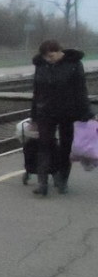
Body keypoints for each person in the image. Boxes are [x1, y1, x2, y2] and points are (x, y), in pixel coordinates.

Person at [29, 39, 91, 195]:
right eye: (45, 57)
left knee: (66, 146)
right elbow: (36, 92)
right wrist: (33, 116)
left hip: (68, 111)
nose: (48, 59)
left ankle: (63, 179)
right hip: (45, 111)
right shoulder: (40, 65)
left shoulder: (74, 64)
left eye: (51, 56)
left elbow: (81, 90)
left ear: (59, 51)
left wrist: (87, 113)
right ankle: (42, 183)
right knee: (44, 144)